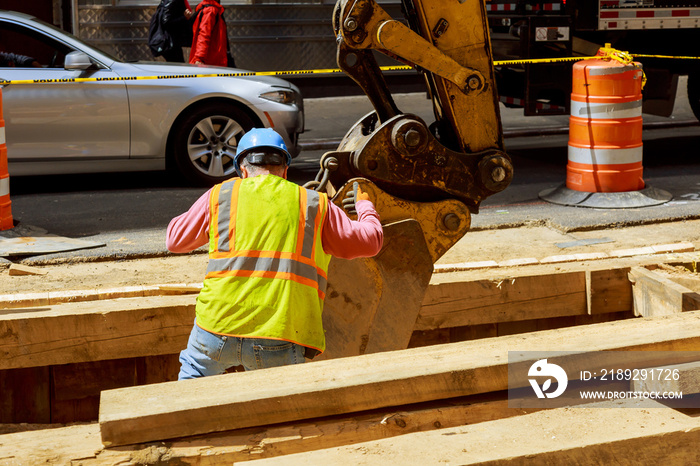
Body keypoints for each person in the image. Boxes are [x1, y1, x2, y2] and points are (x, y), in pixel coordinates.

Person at [166, 128, 384, 379]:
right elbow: (371, 242)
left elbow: (174, 240)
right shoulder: (313, 203)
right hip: (279, 335)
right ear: (285, 170)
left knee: (190, 388)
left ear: (242, 169)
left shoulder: (221, 195)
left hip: (215, 329)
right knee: (282, 408)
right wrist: (365, 204)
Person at [189, 0, 228, 66]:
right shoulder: (210, 11)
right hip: (210, 63)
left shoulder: (209, 9)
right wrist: (199, 58)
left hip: (211, 61)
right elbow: (204, 34)